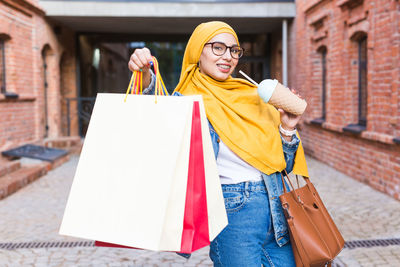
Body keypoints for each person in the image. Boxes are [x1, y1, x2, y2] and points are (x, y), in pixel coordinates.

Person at [128, 21, 308, 267]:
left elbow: (282, 165)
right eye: (218, 48)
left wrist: (287, 127)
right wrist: (145, 72)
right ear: (197, 51)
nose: (228, 57)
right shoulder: (187, 101)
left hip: (279, 210)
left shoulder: (254, 95)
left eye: (234, 50)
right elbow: (157, 124)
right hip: (234, 214)